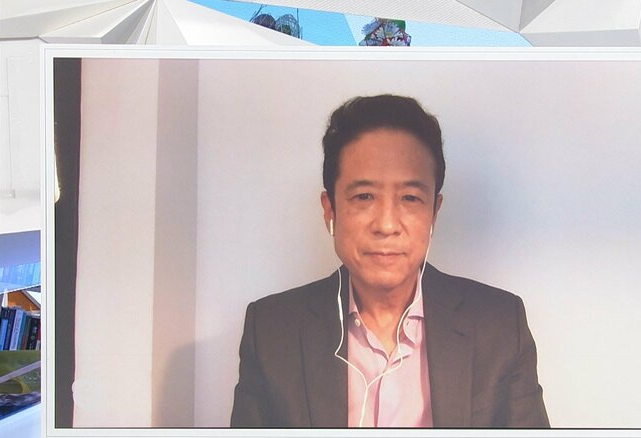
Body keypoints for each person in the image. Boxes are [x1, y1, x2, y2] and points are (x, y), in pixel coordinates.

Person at [231, 95, 550, 428]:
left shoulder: (499, 326)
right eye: (364, 196)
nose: (386, 225)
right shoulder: (271, 332)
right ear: (330, 209)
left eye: (410, 198)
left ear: (434, 212)